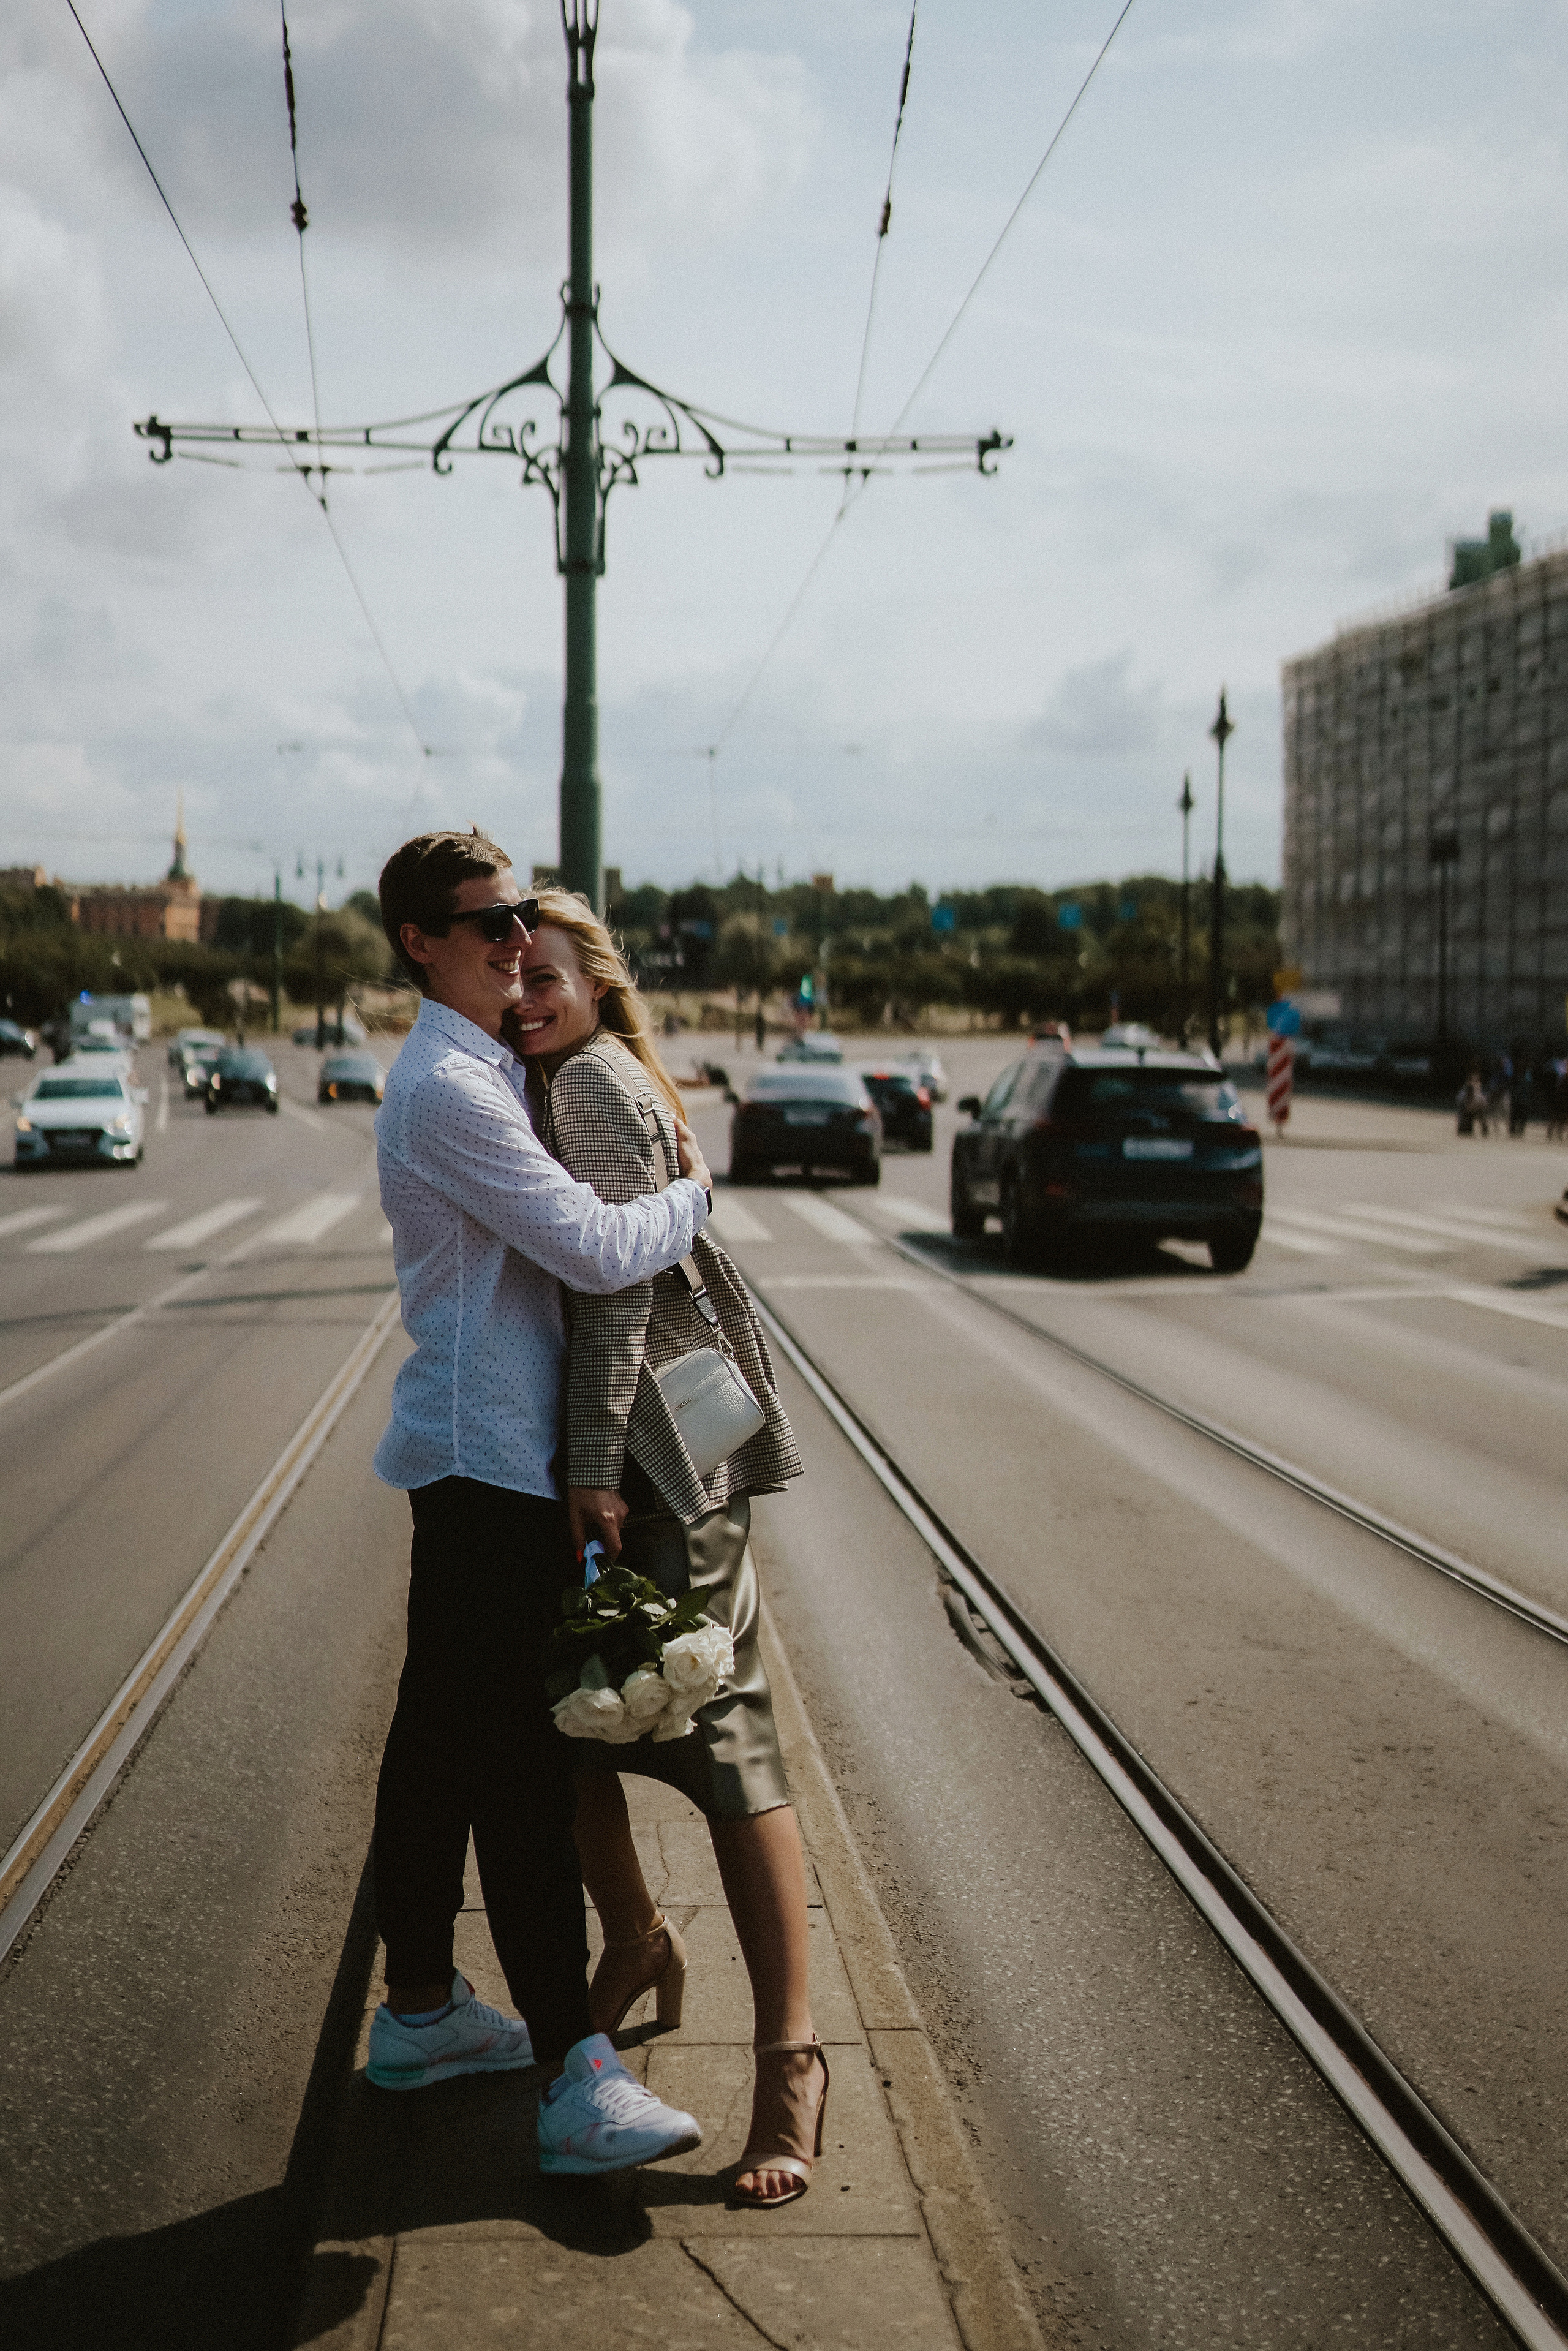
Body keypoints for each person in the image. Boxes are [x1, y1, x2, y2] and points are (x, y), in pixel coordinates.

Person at [366, 828, 716, 2179]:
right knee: (518, 1770)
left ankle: (421, 2013)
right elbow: (587, 1238)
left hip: (481, 1461)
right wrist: (689, 1188)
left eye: (522, 914)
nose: (518, 940)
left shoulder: (483, 1061)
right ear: (419, 941)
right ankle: (578, 2079)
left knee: (433, 1750)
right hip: (489, 1463)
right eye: (489, 922)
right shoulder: (449, 1085)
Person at [509, 893, 829, 2209]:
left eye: (545, 969)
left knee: (723, 1740)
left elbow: (619, 1292)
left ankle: (788, 2061)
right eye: (509, 969)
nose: (523, 987)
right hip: (644, 1453)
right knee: (572, 1724)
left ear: (595, 974)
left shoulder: (586, 1082)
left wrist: (589, 1466)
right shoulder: (597, 1067)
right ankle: (637, 1942)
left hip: (650, 1462)